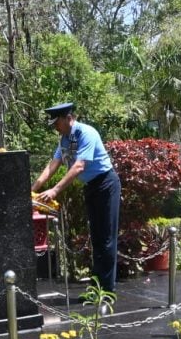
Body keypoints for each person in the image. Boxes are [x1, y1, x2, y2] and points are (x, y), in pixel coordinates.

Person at [32, 102, 121, 306]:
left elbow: (80, 165)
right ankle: (96, 290)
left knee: (107, 239)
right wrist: (33, 189)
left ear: (67, 118)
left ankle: (107, 292)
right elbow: (53, 165)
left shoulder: (86, 133)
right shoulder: (66, 139)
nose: (55, 127)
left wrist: (55, 190)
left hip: (106, 185)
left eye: (57, 123)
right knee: (97, 240)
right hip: (91, 188)